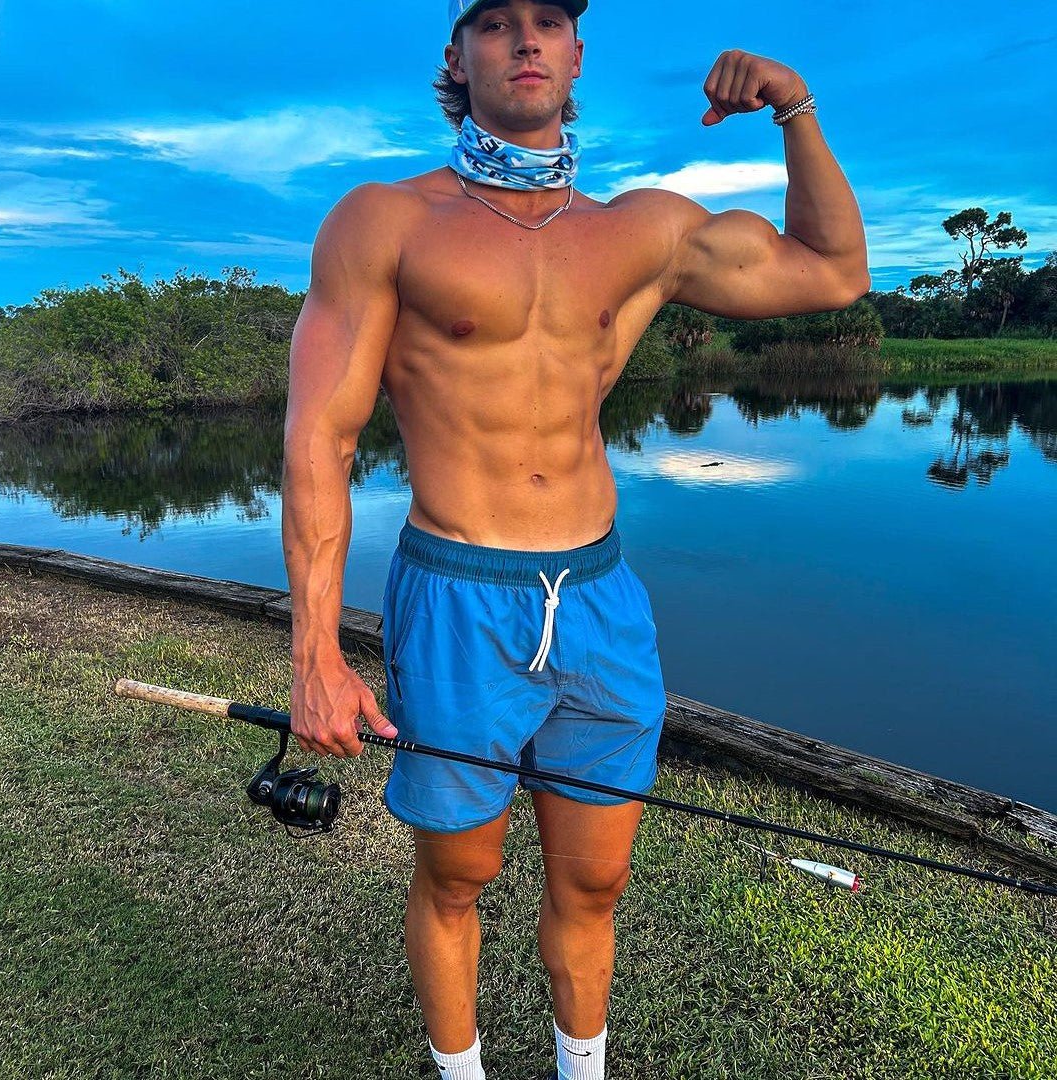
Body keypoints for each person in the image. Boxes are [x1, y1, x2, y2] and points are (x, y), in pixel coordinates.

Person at [281, 0, 869, 1076]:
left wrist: (796, 106)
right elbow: (321, 438)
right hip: (458, 594)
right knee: (458, 876)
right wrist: (315, 652)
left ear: (577, 52)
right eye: (495, 20)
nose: (526, 39)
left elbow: (834, 271)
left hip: (599, 598)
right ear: (457, 53)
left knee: (596, 882)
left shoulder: (642, 230)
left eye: (549, 19)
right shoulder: (384, 222)